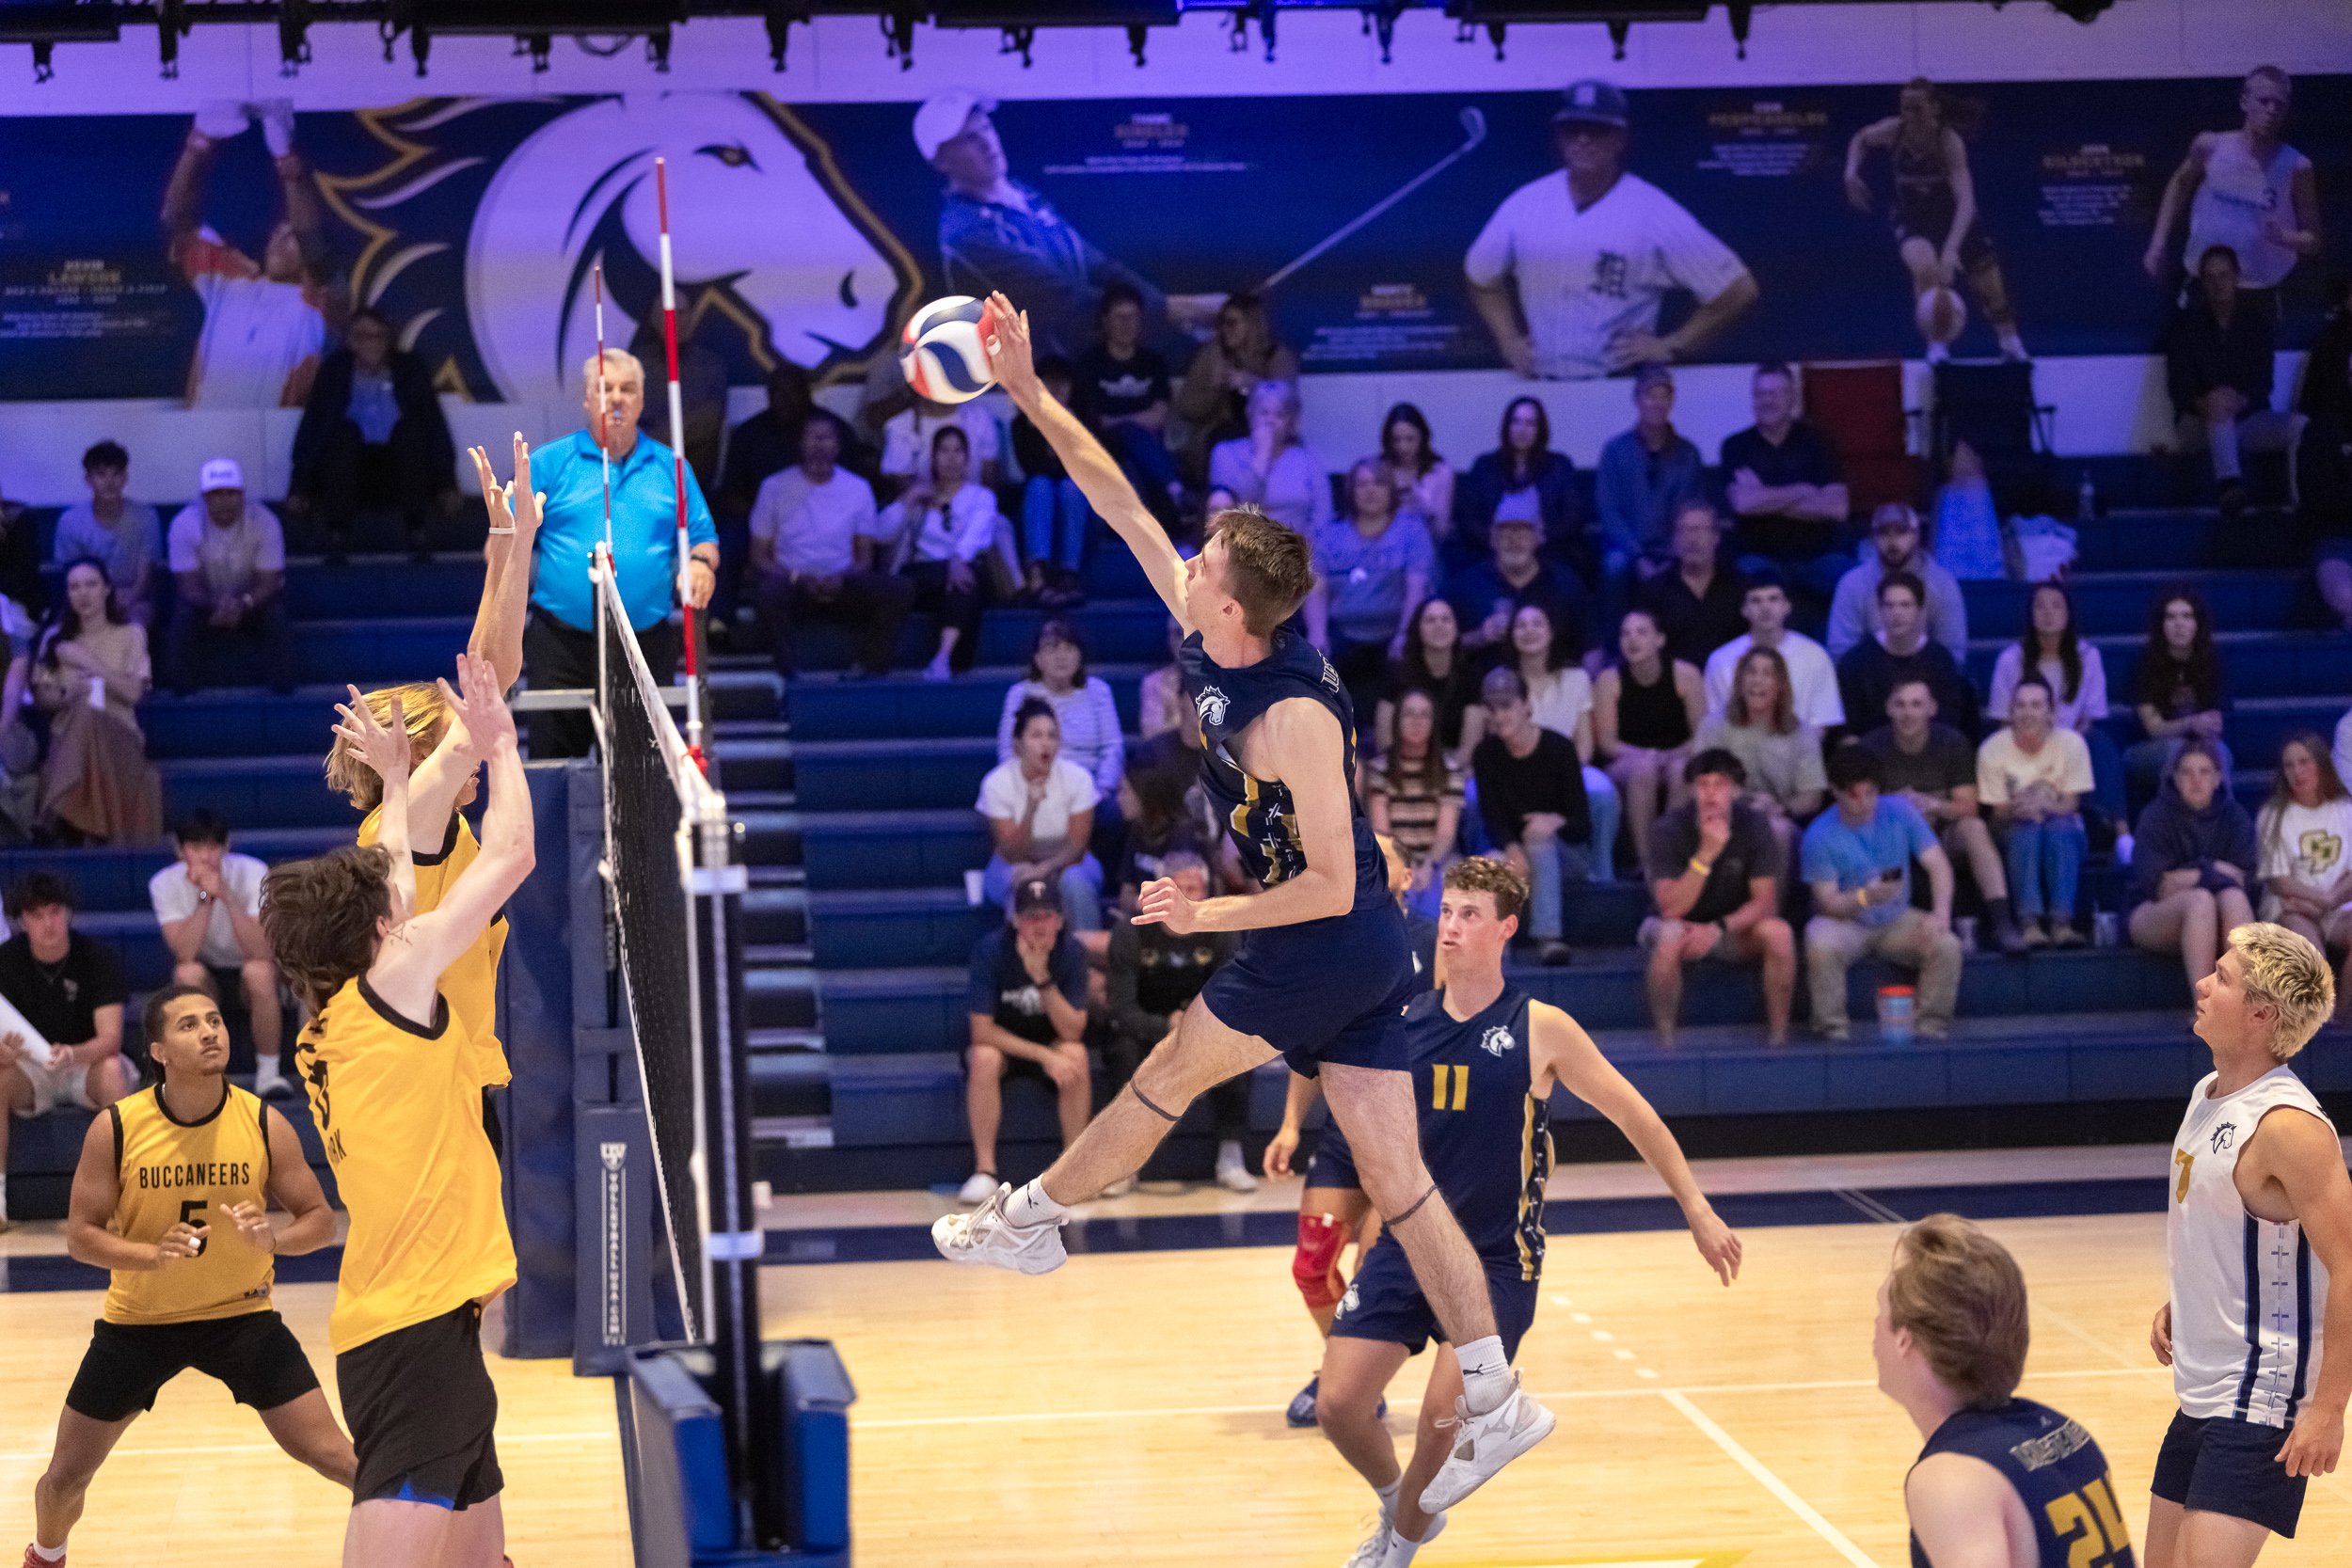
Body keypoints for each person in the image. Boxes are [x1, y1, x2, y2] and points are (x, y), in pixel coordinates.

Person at [939, 293, 1558, 1518]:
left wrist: (1198, 912)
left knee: (1170, 1065)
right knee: (1402, 1178)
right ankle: (1495, 1385)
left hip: (1324, 938)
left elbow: (1329, 880)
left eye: (1207, 559)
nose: (1189, 558)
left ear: (1233, 608)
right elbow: (1113, 494)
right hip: (1352, 949)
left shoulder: (1295, 716)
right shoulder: (1205, 616)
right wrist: (1024, 388)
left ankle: (1034, 1214)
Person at [1312, 857, 1740, 1568]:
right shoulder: (1403, 1022)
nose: (1451, 926)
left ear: (1507, 928)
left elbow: (1636, 1115)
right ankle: (1401, 1508)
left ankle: (1397, 1552)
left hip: (1494, 1262)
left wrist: (1697, 1208)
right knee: (1338, 1405)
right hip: (1409, 1248)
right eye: (1447, 911)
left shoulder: (1541, 1026)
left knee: (1441, 1420)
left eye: (1470, 914)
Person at [261, 654, 528, 1567]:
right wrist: (502, 745)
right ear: (383, 931)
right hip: (412, 1331)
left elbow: (400, 878)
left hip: (417, 1319)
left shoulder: (337, 1017)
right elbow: (512, 856)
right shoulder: (397, 988)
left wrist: (400, 775)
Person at [25, 986, 354, 1567]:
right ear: (159, 1051)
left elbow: (321, 1221)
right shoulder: (117, 1126)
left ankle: (449, 1546)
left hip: (242, 1316)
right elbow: (80, 1237)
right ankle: (46, 1556)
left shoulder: (262, 1120)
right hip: (140, 1324)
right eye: (189, 1025)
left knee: (337, 1457)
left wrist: (273, 1239)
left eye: (215, 1020)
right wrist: (151, 1256)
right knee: (63, 1480)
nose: (209, 1033)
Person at [322, 440, 542, 1137]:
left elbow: (483, 671)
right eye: (452, 741)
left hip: (447, 1079)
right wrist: (520, 545)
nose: (470, 751)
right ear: (419, 751)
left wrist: (503, 548)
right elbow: (490, 683)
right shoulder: (409, 817)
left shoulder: (422, 819)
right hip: (425, 1091)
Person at [2149, 923, 2349, 1567]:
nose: (2203, 984)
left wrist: (2329, 1408)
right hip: (2203, 1389)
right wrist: (2186, 1300)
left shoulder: (2288, 1126)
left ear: (2262, 1014)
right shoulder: (2206, 1094)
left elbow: (2349, 1266)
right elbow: (2225, 1227)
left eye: (2223, 978)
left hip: (2262, 1397)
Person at [1874, 1215, 2135, 1568]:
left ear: (1905, 1341)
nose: (1874, 1330)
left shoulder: (1952, 1480)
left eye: (1880, 1314)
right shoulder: (2067, 1433)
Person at [1464, 79, 1756, 381]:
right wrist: (1508, 340)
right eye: (1572, 129)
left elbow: (1737, 289)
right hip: (1542, 385)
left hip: (1619, 386)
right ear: (1559, 137)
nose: (1583, 139)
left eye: (1596, 129)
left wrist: (1672, 346)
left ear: (1619, 137)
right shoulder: (1527, 203)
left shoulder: (1652, 210)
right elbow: (1480, 276)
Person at [519, 348, 719, 757]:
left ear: (642, 401)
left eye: (627, 389)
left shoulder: (672, 468)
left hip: (644, 642)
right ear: (587, 399)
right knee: (555, 768)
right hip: (561, 644)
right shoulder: (547, 463)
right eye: (604, 388)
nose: (616, 398)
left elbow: (704, 539)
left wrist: (700, 564)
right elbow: (504, 542)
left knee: (643, 771)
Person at [918, 90, 1217, 361]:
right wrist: (1181, 310)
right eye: (969, 139)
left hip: (1084, 358)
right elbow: (1065, 301)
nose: (987, 143)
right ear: (941, 161)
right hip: (1041, 375)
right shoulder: (966, 232)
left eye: (986, 128)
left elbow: (1097, 266)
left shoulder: (1021, 192)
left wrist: (1167, 306)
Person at [160, 99, 341, 408]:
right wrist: (199, 143)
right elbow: (176, 221)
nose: (280, 239)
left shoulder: (318, 302)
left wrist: (284, 155)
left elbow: (312, 241)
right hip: (203, 427)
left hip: (275, 428)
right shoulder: (230, 281)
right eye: (277, 233)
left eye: (291, 236)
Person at [1842, 78, 2029, 363]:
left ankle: (2010, 342)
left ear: (1934, 109)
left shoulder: (1948, 142)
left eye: (1917, 109)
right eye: (1904, 108)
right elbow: (1861, 138)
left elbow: (1966, 201)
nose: (1910, 116)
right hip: (1913, 219)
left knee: (1992, 290)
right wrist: (1850, 173)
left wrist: (1951, 250)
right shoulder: (1894, 131)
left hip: (1955, 219)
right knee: (1926, 269)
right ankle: (1937, 344)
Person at [1103, 852, 1257, 1196]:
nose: (1187, 897)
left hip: (1202, 1025)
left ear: (1207, 892)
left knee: (1238, 1046)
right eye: (1179, 889)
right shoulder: (1131, 931)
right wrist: (1165, 1026)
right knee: (1122, 1049)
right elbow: (1121, 1009)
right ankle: (1123, 1166)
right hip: (1147, 1027)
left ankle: (1231, 1155)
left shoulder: (1221, 930)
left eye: (1195, 889)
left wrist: (1193, 1025)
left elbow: (1230, 997)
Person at [1802, 744, 1962, 1042]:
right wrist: (1866, 897)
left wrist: (1941, 914)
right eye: (1854, 795)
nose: (1864, 803)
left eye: (1871, 793)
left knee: (1947, 945)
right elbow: (1828, 902)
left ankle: (1930, 1026)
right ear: (1835, 792)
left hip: (1896, 918)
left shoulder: (1901, 811)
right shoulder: (1819, 835)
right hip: (1845, 922)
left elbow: (1938, 864)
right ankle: (1832, 1030)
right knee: (1820, 944)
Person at [0, 872, 132, 1232]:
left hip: (85, 1063)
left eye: (55, 912)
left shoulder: (97, 958)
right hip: (29, 1069)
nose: (48, 924)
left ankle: (125, 1201)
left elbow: (110, 1039)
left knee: (112, 1070)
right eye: (37, 915)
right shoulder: (5, 962)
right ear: (21, 920)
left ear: (68, 913)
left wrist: (73, 1054)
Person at [1642, 750, 1795, 1049]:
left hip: (1732, 928)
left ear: (1736, 790)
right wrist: (1705, 855)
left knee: (1779, 933)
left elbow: (1764, 902)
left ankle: (1779, 1040)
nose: (1711, 794)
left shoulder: (1754, 825)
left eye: (1720, 785)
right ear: (1691, 790)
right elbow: (1670, 907)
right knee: (1669, 936)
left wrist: (1718, 928)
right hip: (1679, 925)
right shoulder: (1669, 828)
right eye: (1703, 785)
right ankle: (1666, 1042)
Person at [959, 875, 1096, 1207]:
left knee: (1076, 1054)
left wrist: (1041, 979)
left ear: (1060, 920)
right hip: (1005, 1045)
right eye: (1031, 916)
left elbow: (1073, 1031)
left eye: (1047, 916)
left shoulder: (1072, 952)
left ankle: (1072, 1171)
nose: (1040, 925)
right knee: (983, 1056)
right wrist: (1043, 1056)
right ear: (1016, 921)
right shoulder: (991, 950)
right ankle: (985, 1171)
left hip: (1052, 1042)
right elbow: (982, 1031)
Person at [2142, 67, 2321, 318]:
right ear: (2245, 102)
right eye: (2264, 101)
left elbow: (2313, 241)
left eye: (2279, 104)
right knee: (2192, 342)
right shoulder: (2211, 146)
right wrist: (2158, 244)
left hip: (2258, 290)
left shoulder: (2295, 166)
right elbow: (2179, 186)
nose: (2271, 110)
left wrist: (2284, 237)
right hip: (2204, 281)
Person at [1866, 678, 2026, 956]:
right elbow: (1859, 808)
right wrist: (1897, 806)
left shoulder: (1952, 742)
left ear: (1932, 708)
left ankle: (2002, 923)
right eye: (1900, 705)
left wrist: (1932, 805)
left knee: (1974, 828)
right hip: (1892, 838)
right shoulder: (1871, 747)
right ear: (1889, 708)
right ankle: (1878, 926)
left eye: (1916, 704)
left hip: (1943, 834)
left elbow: (1970, 807)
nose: (1908, 713)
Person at [288, 306, 459, 562]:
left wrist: (448, 483)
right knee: (343, 434)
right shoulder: (335, 371)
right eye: (361, 336)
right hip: (349, 469)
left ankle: (417, 532)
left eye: (377, 336)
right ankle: (337, 535)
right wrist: (299, 486)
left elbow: (434, 426)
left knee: (409, 433)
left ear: (388, 339)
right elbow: (313, 427)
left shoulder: (409, 369)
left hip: (398, 468)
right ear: (350, 341)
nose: (370, 343)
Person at [749, 412, 913, 680]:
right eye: (813, 438)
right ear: (800, 443)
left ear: (837, 445)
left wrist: (842, 577)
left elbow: (864, 558)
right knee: (767, 594)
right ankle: (788, 672)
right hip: (794, 583)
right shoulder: (774, 487)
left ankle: (868, 668)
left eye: (827, 438)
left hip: (843, 583)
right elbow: (759, 556)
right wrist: (797, 578)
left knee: (900, 589)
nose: (820, 445)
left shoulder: (858, 488)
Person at [149, 808, 286, 1100]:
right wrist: (206, 899)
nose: (204, 857)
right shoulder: (163, 883)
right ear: (180, 850)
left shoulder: (253, 872)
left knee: (260, 972)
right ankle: (208, 1075)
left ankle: (269, 1073)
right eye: (195, 847)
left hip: (247, 966)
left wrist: (225, 894)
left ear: (225, 847)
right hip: (208, 972)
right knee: (187, 973)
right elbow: (184, 952)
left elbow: (261, 949)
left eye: (211, 847)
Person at [31, 559, 164, 847]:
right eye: (74, 587)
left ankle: (54, 811)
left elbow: (133, 693)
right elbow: (43, 698)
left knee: (89, 711)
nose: (83, 594)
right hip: (66, 739)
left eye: (91, 585)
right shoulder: (55, 638)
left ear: (107, 589)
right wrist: (68, 696)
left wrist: (87, 663)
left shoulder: (130, 634)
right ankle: (72, 816)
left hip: (119, 736)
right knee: (83, 708)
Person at [2166, 245, 2305, 517]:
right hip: (2197, 424)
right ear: (2202, 282)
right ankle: (2230, 488)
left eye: (2224, 275)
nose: (2218, 283)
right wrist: (2207, 403)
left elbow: (2263, 383)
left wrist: (2239, 401)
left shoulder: (2257, 325)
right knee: (2218, 408)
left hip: (2248, 418)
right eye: (2210, 277)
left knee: (2302, 426)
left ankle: (2302, 503)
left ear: (2237, 277)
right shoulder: (2185, 327)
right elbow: (2178, 388)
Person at [874, 424, 1019, 681]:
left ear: (967, 457)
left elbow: (978, 533)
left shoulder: (980, 496)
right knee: (951, 581)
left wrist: (958, 560)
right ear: (933, 457)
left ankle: (944, 657)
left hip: (965, 567)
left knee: (963, 583)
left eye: (958, 451)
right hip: (921, 571)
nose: (951, 458)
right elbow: (881, 533)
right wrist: (909, 500)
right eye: (943, 451)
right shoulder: (919, 495)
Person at [1470, 666, 1589, 966]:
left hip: (1566, 855)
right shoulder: (1486, 754)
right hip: (1516, 852)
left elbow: (1582, 825)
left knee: (1537, 837)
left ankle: (1548, 936)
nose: (1500, 716)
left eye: (1507, 706)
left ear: (1527, 706)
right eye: (1492, 709)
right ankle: (1496, 949)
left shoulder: (1559, 749)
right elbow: (1492, 817)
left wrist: (1555, 821)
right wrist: (1512, 848)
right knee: (1494, 864)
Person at [1991, 580, 2124, 828]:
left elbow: (2088, 718)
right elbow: (2004, 722)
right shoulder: (2010, 659)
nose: (2048, 612)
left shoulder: (2088, 656)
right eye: (2040, 606)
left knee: (2100, 743)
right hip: (2025, 741)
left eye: (2056, 606)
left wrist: (2066, 746)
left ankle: (2118, 831)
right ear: (2030, 615)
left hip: (2072, 740)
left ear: (2068, 613)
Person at [1307, 463, 1438, 713]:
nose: (1370, 490)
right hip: (1342, 632)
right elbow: (1316, 588)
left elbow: (1416, 589)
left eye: (1379, 483)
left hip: (1394, 633)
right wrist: (1318, 633)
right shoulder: (1330, 535)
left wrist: (1404, 634)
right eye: (1362, 484)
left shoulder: (1412, 532)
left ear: (1391, 491)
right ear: (1351, 492)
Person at [2130, 740, 2257, 992]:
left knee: (2233, 898)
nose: (2196, 780)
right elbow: (2159, 887)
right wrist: (2216, 870)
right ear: (2175, 779)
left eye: (2204, 772)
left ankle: (2241, 1003)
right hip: (2153, 914)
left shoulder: (2234, 816)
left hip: (2222, 914)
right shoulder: (2155, 816)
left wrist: (2192, 874)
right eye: (2187, 772)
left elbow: (2247, 881)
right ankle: (2205, 1006)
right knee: (2200, 902)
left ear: (2218, 779)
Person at [1979, 676, 2095, 947]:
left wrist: (2043, 806)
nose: (2027, 712)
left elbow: (2071, 803)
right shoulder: (1992, 749)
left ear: (2051, 713)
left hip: (2062, 824)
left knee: (2060, 829)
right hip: (2014, 827)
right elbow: (1998, 811)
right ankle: (2029, 924)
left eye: (2036, 705)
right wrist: (2019, 810)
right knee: (2027, 831)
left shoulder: (2072, 743)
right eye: (2020, 706)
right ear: (2010, 712)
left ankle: (2061, 924)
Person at [1721, 363, 1854, 599]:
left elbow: (1837, 508)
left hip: (1819, 557)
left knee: (1854, 582)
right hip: (1758, 557)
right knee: (1749, 584)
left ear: (1792, 398)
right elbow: (1743, 504)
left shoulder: (1819, 442)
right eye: (1761, 394)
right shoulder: (1735, 446)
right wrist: (1803, 490)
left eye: (1775, 393)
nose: (1767, 401)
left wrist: (1763, 497)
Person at [1510, 602, 1620, 880]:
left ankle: (1602, 874)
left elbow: (1584, 745)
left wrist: (1560, 775)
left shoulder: (1577, 678)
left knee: (1602, 790)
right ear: (1511, 635)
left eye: (1537, 624)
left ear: (1551, 633)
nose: (1529, 631)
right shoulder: (1503, 683)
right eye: (1521, 625)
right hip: (1515, 769)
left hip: (1567, 771)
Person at [996, 619, 1124, 854]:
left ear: (1080, 655)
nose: (1061, 656)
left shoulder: (1098, 691)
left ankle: (1093, 870)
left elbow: (1112, 747)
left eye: (1068, 648)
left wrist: (1103, 788)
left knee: (1112, 813)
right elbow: (1008, 751)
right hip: (1037, 786)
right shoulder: (1020, 693)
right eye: (1051, 649)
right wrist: (1030, 787)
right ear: (1037, 659)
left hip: (1090, 788)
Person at [164, 458, 291, 696]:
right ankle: (183, 696)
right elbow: (187, 585)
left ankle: (283, 693)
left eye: (231, 493)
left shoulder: (265, 521)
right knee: (182, 617)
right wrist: (216, 604)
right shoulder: (184, 524)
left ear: (242, 495)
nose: (224, 501)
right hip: (204, 604)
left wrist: (243, 603)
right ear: (204, 498)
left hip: (252, 602)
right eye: (216, 494)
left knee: (275, 615)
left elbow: (270, 580)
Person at [1693, 645, 1826, 869]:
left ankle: (1774, 894)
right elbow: (1699, 780)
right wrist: (1745, 803)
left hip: (1779, 816)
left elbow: (1812, 796)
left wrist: (1780, 808)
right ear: (1740, 682)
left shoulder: (1801, 733)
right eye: (1751, 672)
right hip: (1723, 812)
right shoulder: (1714, 726)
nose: (1757, 680)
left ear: (1780, 685)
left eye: (1767, 674)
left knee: (1778, 829)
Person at [978, 698, 1102, 934]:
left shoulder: (1078, 779)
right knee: (1024, 882)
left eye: (1052, 736)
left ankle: (1087, 953)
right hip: (1012, 863)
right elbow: (1013, 852)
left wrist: (1044, 869)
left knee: (1075, 882)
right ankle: (1020, 954)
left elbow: (1077, 846)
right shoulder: (996, 783)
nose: (1045, 743)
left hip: (1069, 862)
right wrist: (1030, 808)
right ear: (1018, 744)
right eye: (1036, 735)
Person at [1595, 606, 1704, 869]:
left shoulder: (1686, 675)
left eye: (1642, 632)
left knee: (1680, 770)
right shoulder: (1609, 680)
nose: (1632, 640)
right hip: (1628, 761)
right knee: (1644, 770)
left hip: (1677, 755)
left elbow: (1702, 734)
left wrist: (1671, 755)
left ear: (1660, 639)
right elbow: (1607, 744)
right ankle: (1646, 862)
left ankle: (1670, 855)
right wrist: (1647, 757)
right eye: (1626, 634)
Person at [1595, 367, 1705, 619]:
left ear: (1672, 401)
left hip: (1673, 550)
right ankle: (1613, 641)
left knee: (1697, 562)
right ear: (1637, 400)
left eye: (1664, 396)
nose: (1657, 403)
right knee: (1615, 566)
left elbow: (1691, 512)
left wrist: (1670, 555)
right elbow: (1609, 513)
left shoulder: (1688, 454)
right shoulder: (1615, 451)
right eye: (1650, 395)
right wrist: (1638, 557)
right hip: (1626, 549)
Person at [2255, 734, 2352, 1022]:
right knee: (2313, 957)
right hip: (2291, 906)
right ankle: (2324, 1023)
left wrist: (2329, 900)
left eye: (2304, 762)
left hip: (2336, 905)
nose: (2297, 772)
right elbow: (2279, 881)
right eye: (2289, 765)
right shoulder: (2273, 815)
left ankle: (2343, 1019)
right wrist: (2322, 900)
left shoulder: (2345, 809)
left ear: (2321, 765)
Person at [1073, 282, 1184, 525]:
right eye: (1120, 317)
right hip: (1104, 451)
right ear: (1105, 321)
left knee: (1133, 461)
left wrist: (1121, 421)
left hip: (1147, 450)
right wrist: (1129, 422)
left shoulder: (1153, 363)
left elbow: (1158, 418)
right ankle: (1174, 488)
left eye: (1132, 317)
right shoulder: (1090, 365)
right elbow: (1097, 422)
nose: (1127, 324)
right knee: (1127, 438)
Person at [1836, 571, 1980, 740]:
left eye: (1905, 605)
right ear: (1879, 610)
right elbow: (1849, 729)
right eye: (1889, 605)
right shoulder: (1855, 662)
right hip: (1871, 751)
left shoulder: (1940, 660)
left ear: (1920, 610)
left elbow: (1948, 721)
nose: (1896, 613)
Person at [1175, 292, 1299, 481]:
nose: (1226, 330)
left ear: (1252, 325)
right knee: (1223, 442)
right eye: (1222, 323)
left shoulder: (1277, 357)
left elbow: (1289, 403)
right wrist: (1215, 390)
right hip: (1220, 435)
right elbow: (1187, 408)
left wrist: (1252, 385)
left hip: (1269, 433)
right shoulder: (1212, 356)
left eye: (1232, 323)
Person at [2129, 587, 2231, 815]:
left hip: (2198, 745)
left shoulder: (2212, 660)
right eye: (2171, 617)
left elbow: (2215, 724)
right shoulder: (2144, 661)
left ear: (2197, 624)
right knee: (2178, 752)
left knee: (2219, 752)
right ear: (2161, 625)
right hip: (2144, 750)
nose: (2179, 624)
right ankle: (2173, 828)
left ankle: (2224, 825)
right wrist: (2191, 724)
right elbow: (2154, 729)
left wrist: (2200, 733)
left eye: (2186, 616)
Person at [1447, 506, 1591, 666]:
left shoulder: (1565, 584)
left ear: (1539, 537)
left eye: (1523, 534)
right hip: (1483, 680)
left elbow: (1592, 649)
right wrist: (1480, 636)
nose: (1514, 542)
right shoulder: (1465, 587)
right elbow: (1438, 648)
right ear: (1492, 539)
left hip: (1554, 678)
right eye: (1506, 534)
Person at [1702, 570, 1843, 730]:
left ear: (1787, 607)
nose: (1765, 608)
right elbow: (1715, 722)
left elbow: (1822, 721)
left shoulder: (1815, 655)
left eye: (1773, 599)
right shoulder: (1720, 661)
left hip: (1800, 743)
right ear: (1744, 610)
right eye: (1756, 601)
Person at [1827, 502, 1969, 661]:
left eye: (1901, 531)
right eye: (1883, 532)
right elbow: (1841, 652)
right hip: (1868, 674)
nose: (1892, 541)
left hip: (1928, 674)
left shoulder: (1943, 584)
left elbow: (1953, 653)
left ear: (1916, 535)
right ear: (1873, 538)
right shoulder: (1852, 584)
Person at [1368, 689, 1463, 920]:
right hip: (1393, 859)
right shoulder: (1380, 770)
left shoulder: (1450, 771)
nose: (1416, 721)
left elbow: (1446, 834)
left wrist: (1429, 863)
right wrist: (1406, 867)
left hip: (1437, 860)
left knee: (1441, 897)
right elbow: (1382, 833)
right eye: (1409, 714)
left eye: (1424, 715)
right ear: (1397, 721)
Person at [52, 442, 164, 628]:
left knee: (137, 625)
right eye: (101, 474)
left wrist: (125, 600)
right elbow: (72, 577)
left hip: (133, 601)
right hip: (84, 601)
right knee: (60, 632)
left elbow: (144, 580)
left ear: (125, 477)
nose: (109, 482)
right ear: (88, 479)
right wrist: (99, 603)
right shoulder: (70, 521)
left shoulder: (146, 517)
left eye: (116, 474)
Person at [1013, 356, 1094, 606]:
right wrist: (1045, 426)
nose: (1057, 390)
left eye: (1063, 384)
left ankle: (1069, 574)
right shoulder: (1022, 426)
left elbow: (1086, 470)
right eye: (1050, 383)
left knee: (1071, 487)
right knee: (1040, 485)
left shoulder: (1086, 422)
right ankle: (1037, 572)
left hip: (1085, 511)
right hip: (1038, 505)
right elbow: (1035, 468)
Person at [1453, 396, 1578, 555]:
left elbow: (1573, 516)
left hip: (1547, 552)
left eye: (1530, 423)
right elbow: (1467, 517)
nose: (1522, 429)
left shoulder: (1559, 466)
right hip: (1492, 553)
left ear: (1541, 430)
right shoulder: (1485, 466)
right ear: (1507, 427)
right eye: (1516, 422)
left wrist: (1542, 538)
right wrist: (1492, 540)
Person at [1208, 380, 1331, 536]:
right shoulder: (1226, 453)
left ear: (1290, 422)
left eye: (1280, 415)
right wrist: (1261, 455)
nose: (1270, 421)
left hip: (1296, 546)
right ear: (1250, 414)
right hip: (1240, 544)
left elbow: (1322, 519)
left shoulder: (1309, 461)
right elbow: (1230, 508)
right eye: (1264, 413)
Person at [1636, 499, 1748, 670]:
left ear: (1716, 537)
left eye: (1700, 530)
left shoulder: (1739, 586)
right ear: (1674, 539)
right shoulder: (1654, 590)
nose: (1692, 539)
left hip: (1729, 679)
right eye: (1684, 530)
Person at [1375, 597, 1484, 765]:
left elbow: (1469, 748)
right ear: (1418, 628)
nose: (1439, 625)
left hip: (1454, 769)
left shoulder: (1470, 677)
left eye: (1446, 619)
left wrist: (1442, 773)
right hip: (1402, 768)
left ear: (1456, 629)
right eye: (1430, 620)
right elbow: (1385, 741)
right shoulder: (1397, 674)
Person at [880, 393, 1004, 493]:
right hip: (922, 509)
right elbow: (901, 484)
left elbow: (989, 476)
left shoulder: (980, 416)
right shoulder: (899, 426)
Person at [1375, 404, 1454, 542]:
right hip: (1383, 543)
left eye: (1410, 439)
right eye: (1396, 440)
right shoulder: (1378, 467)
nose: (1403, 447)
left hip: (1426, 543)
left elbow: (1442, 532)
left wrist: (1422, 505)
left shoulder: (1440, 471)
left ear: (1423, 437)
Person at [1138, 616, 1187, 740]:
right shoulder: (1154, 683)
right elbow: (1152, 738)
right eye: (1179, 633)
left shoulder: (1226, 681)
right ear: (1169, 639)